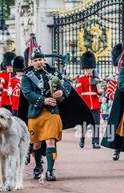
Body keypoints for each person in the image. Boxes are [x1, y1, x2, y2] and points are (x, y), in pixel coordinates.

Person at [18, 42, 95, 182]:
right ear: (32, 62)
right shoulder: (27, 76)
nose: (38, 62)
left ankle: (50, 170)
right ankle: (38, 167)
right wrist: (43, 100)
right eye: (35, 60)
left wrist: (61, 93)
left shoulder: (53, 72)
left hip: (52, 112)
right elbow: (27, 93)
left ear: (44, 60)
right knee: (36, 144)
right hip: (35, 112)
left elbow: (66, 84)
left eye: (40, 60)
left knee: (50, 140)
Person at [76, 51, 103, 149]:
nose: (89, 70)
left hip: (95, 104)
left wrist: (98, 86)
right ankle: (82, 139)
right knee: (85, 125)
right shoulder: (81, 79)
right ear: (85, 68)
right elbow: (78, 92)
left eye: (91, 68)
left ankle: (95, 143)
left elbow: (100, 92)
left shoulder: (96, 78)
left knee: (96, 124)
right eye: (88, 68)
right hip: (85, 104)